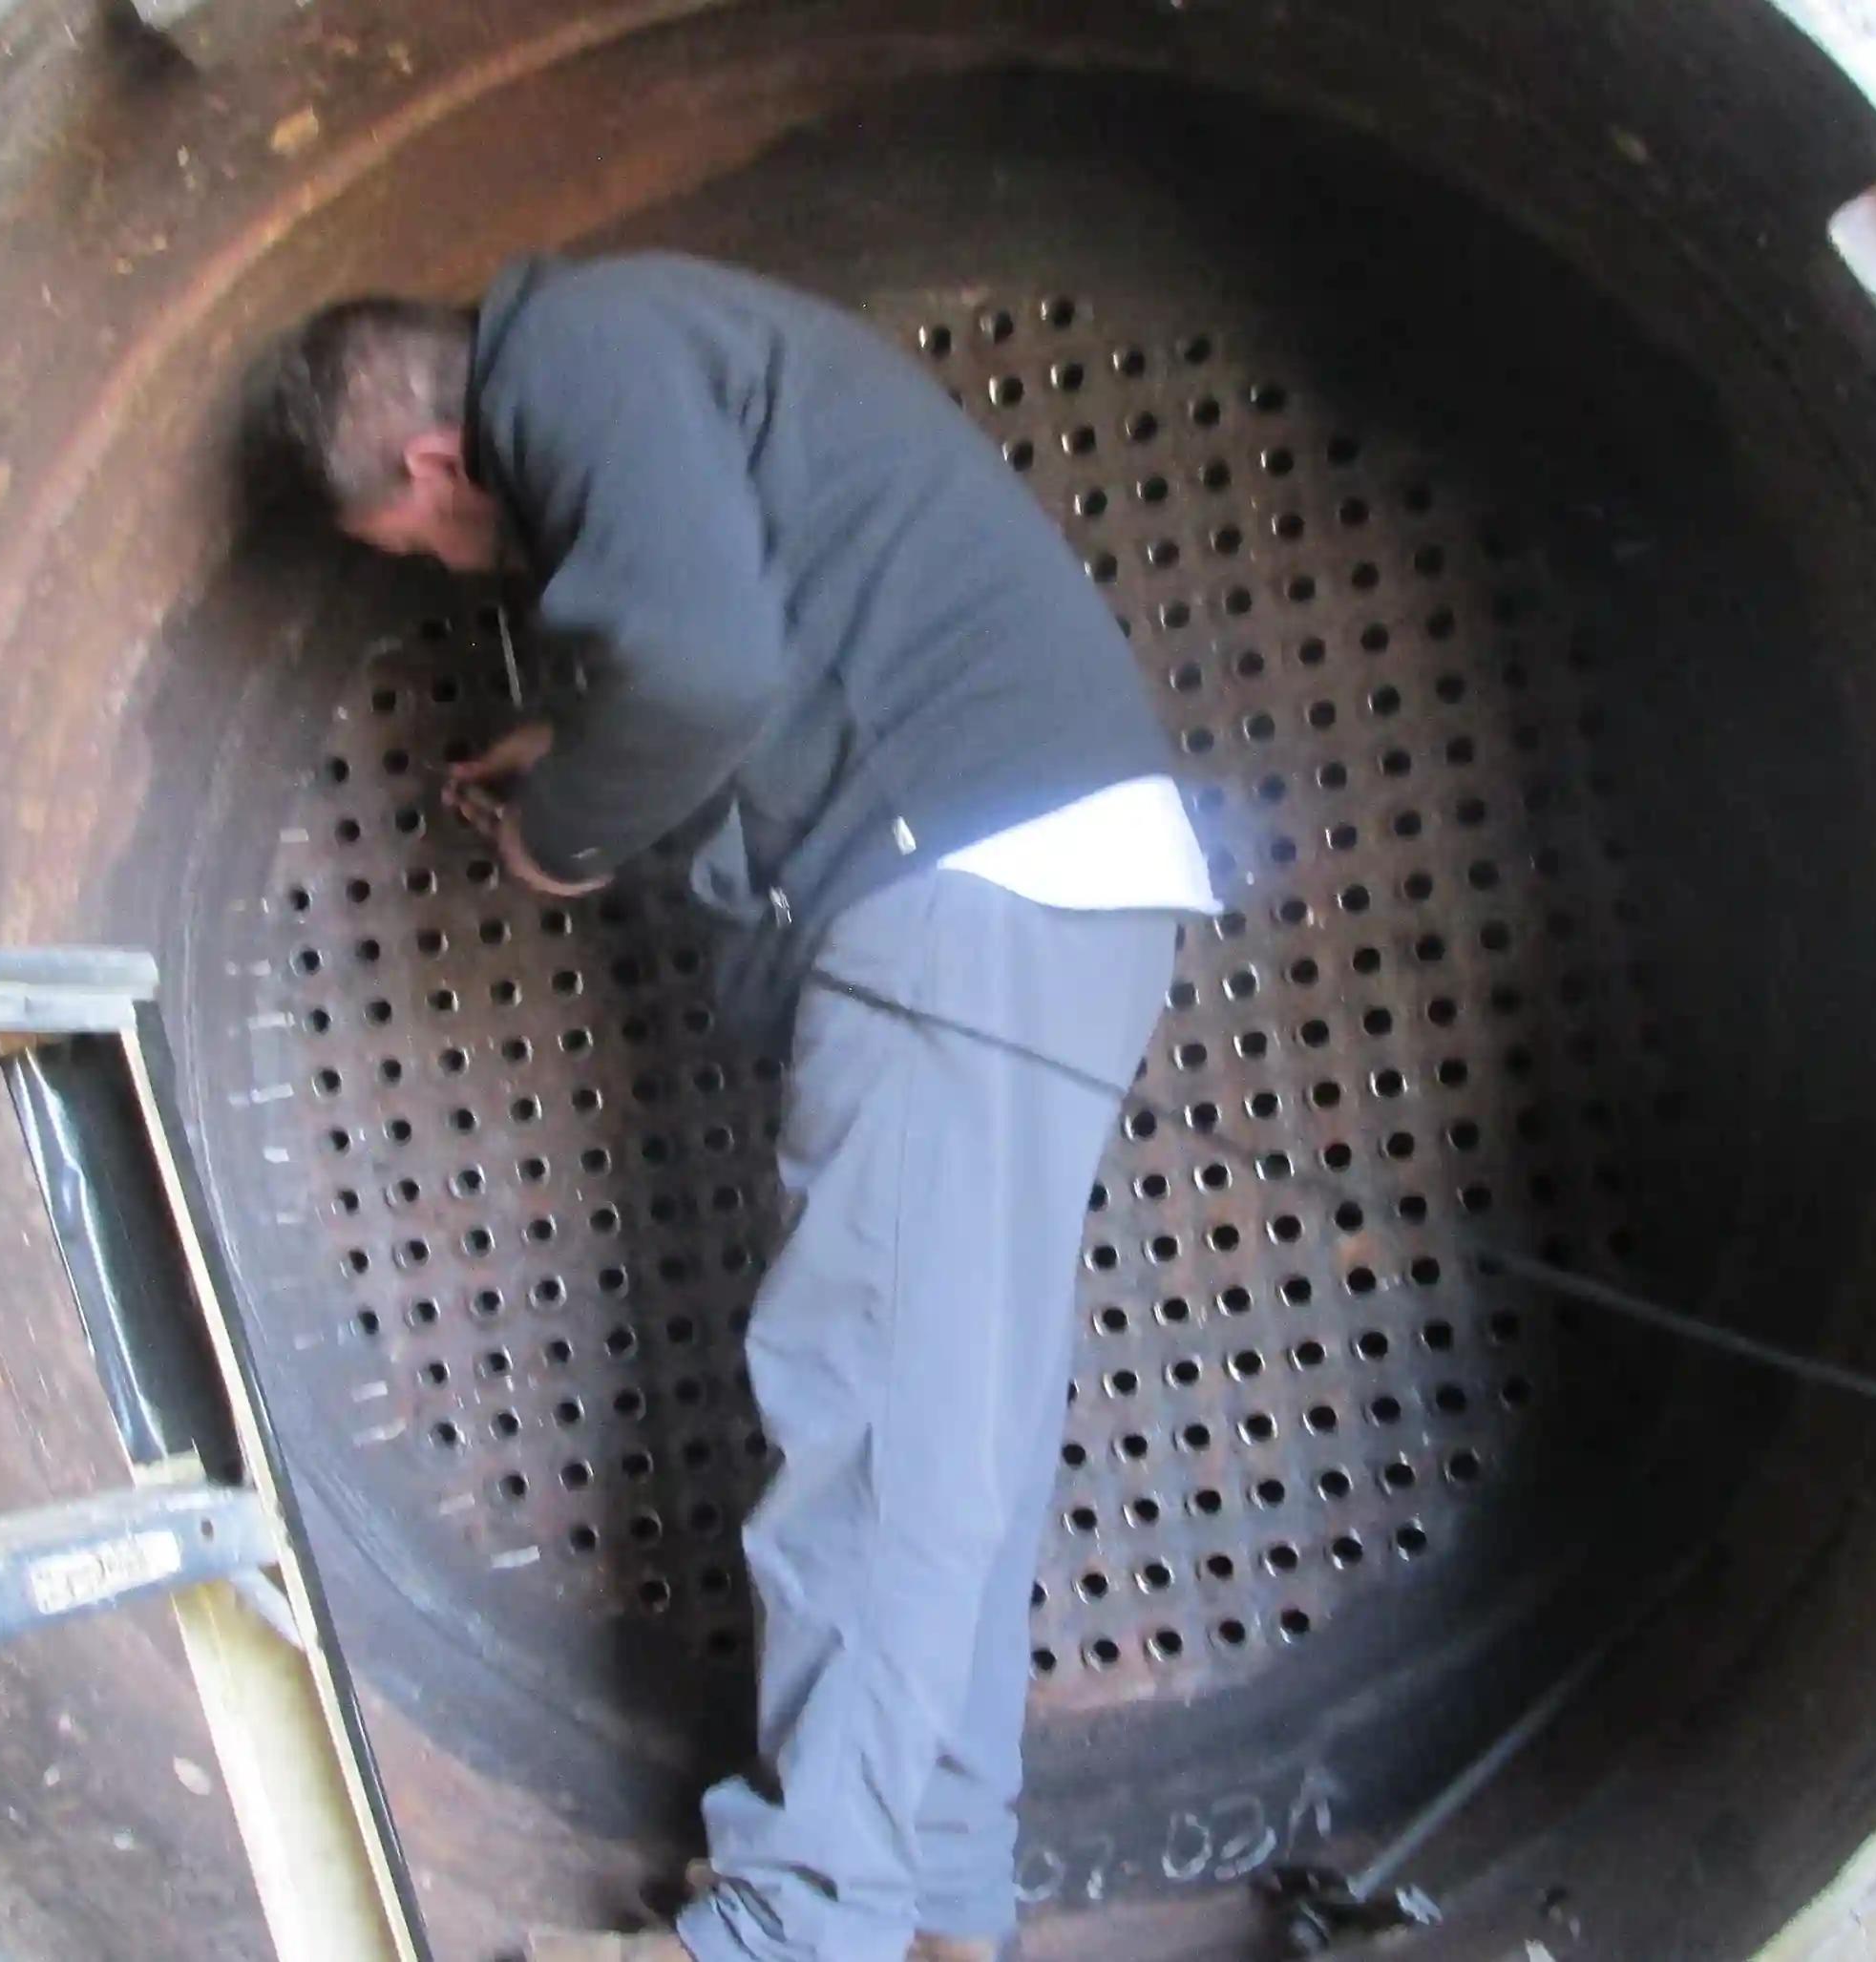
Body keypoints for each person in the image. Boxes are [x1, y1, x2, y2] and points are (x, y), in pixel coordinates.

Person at [252, 253, 1219, 1962]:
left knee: (870, 1418)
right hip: (1040, 883)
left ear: (424, 466)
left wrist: (564, 836)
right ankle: (931, 1904)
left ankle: (794, 1926)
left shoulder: (571, 354)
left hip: (959, 888)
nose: (451, 570)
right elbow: (742, 651)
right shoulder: (675, 350)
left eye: (418, 552)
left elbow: (701, 672)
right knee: (948, 1439)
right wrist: (571, 748)